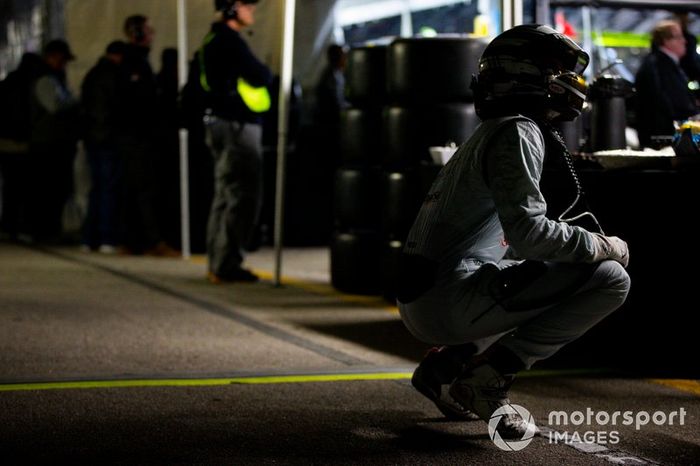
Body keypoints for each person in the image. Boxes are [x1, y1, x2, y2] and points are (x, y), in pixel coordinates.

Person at [397, 25, 631, 439]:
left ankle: (446, 366)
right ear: (528, 73)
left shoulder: (494, 130)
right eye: (558, 70)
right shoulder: (517, 130)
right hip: (448, 301)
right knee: (611, 277)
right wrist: (603, 245)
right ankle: (486, 380)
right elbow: (531, 234)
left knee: (537, 270)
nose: (570, 81)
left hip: (428, 295)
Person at [198, 0, 272, 283]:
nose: (252, 11)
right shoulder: (229, 42)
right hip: (237, 126)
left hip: (219, 123)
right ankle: (226, 263)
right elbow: (260, 74)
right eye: (248, 6)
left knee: (224, 194)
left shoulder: (212, 38)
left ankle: (217, 261)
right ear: (232, 7)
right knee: (241, 195)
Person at [118, 15, 179, 256]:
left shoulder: (136, 62)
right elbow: (139, 103)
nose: (152, 35)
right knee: (144, 190)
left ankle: (134, 240)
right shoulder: (134, 64)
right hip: (137, 136)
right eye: (148, 31)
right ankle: (152, 240)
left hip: (135, 135)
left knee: (135, 190)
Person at [28, 39, 81, 242]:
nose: (64, 64)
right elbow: (54, 106)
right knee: (48, 190)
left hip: (52, 142)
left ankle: (48, 229)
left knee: (53, 190)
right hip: (48, 143)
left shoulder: (51, 78)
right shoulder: (45, 79)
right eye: (63, 59)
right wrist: (75, 101)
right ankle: (44, 230)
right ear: (53, 56)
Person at [80, 40, 127, 253]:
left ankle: (89, 237)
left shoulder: (93, 74)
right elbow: (114, 108)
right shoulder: (112, 75)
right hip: (106, 138)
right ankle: (106, 236)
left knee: (97, 188)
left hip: (93, 138)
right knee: (107, 189)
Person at [635, 19, 698, 148]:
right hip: (663, 140)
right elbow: (672, 102)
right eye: (679, 36)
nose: (684, 41)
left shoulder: (660, 63)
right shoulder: (659, 65)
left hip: (662, 137)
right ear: (666, 41)